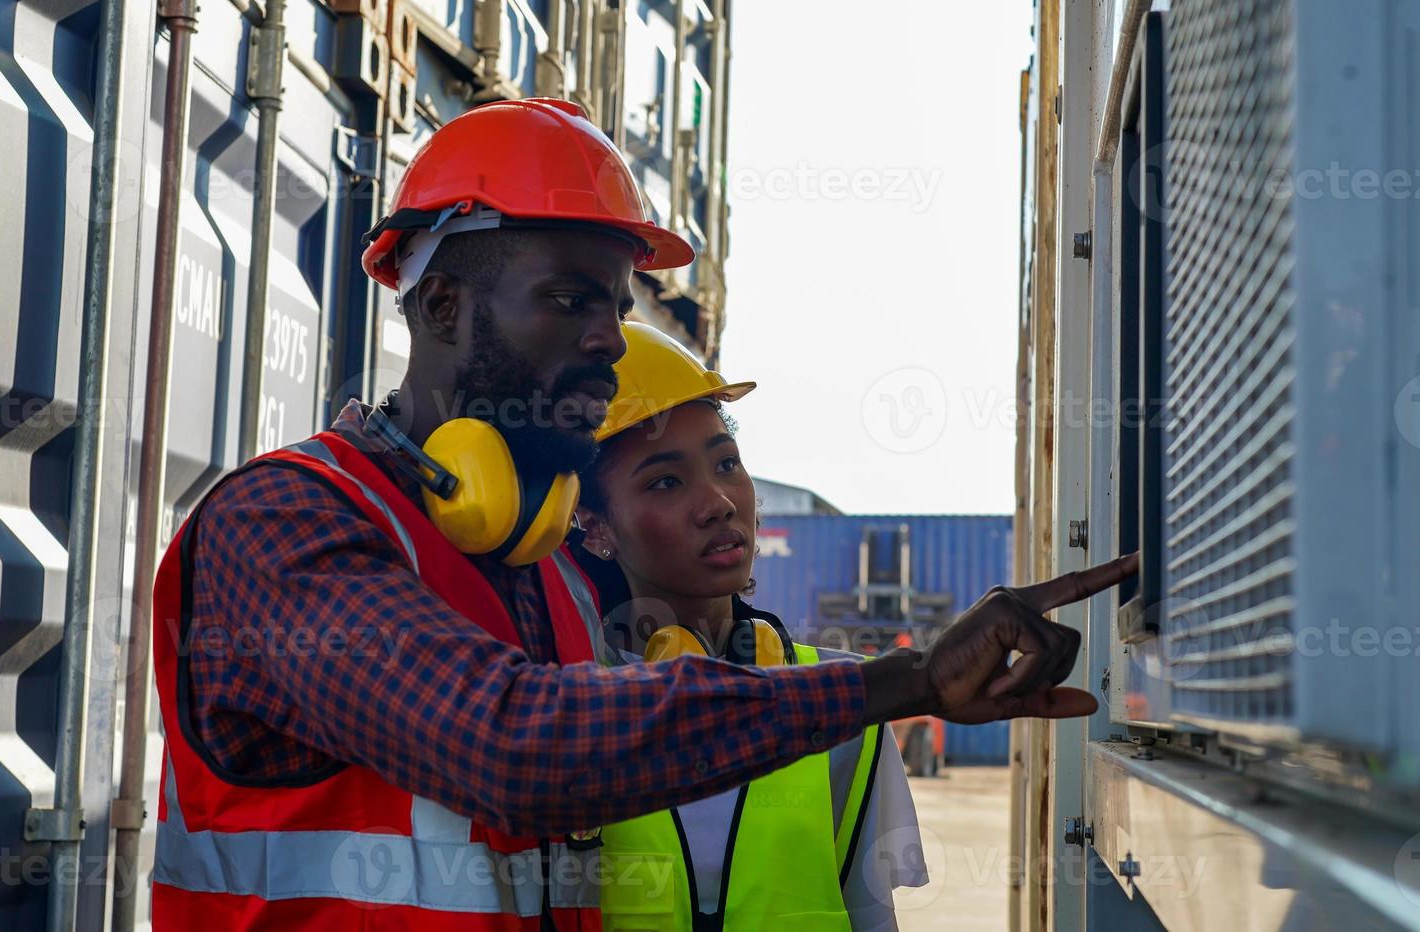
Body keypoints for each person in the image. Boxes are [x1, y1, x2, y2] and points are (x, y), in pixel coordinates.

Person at [148, 97, 1137, 930]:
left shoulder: (543, 574)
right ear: (442, 305)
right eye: (569, 299)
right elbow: (509, 744)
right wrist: (908, 677)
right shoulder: (280, 526)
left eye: (615, 305)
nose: (607, 340)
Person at [572, 322, 927, 930]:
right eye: (665, 481)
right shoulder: (560, 711)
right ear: (595, 527)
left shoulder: (847, 704)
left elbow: (872, 916)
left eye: (726, 462)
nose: (719, 501)